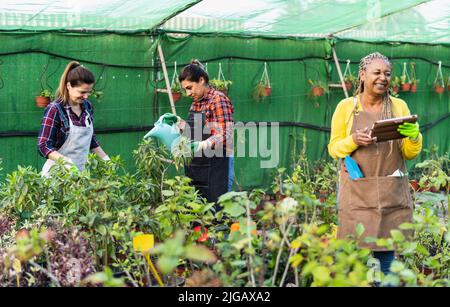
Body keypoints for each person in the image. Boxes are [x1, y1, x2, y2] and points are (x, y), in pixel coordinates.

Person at [328, 52, 422, 279]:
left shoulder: (399, 106)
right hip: (357, 191)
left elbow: (408, 154)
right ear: (362, 75)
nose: (383, 78)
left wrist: (414, 137)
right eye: (377, 72)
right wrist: (353, 141)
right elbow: (333, 149)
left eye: (387, 74)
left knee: (386, 257)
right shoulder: (346, 107)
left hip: (390, 191)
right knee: (354, 255)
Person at [177, 60, 234, 205]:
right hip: (197, 166)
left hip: (217, 164)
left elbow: (226, 132)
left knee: (217, 208)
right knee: (197, 208)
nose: (188, 93)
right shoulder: (196, 102)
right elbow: (195, 130)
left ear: (201, 80)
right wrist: (180, 123)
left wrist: (206, 143)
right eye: (185, 90)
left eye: (190, 87)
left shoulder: (218, 100)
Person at [37, 61, 109, 176]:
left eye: (89, 92)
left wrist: (106, 160)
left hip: (81, 176)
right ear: (69, 86)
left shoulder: (87, 106)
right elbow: (43, 146)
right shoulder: (55, 109)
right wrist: (66, 162)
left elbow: (91, 140)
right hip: (57, 178)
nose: (85, 96)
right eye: (82, 92)